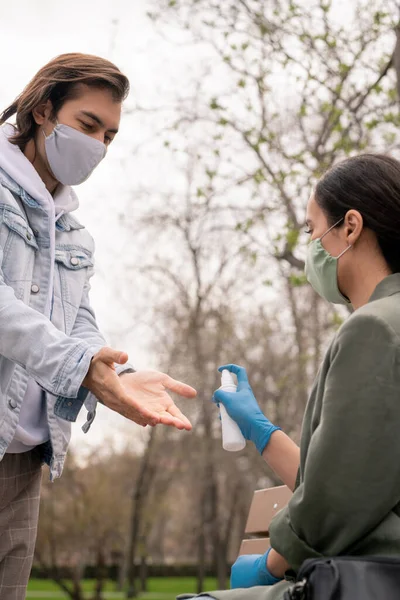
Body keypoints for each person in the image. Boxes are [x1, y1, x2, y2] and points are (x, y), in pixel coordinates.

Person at [0, 53, 196, 599]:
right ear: (43, 110)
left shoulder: (74, 231)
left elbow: (78, 320)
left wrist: (114, 373)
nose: (99, 146)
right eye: (88, 125)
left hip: (22, 460)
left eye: (110, 135)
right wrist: (82, 368)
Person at [186, 153, 400, 600]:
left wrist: (269, 563)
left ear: (351, 227)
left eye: (312, 228)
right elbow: (351, 476)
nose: (311, 245)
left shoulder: (375, 328)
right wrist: (260, 430)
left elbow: (335, 506)